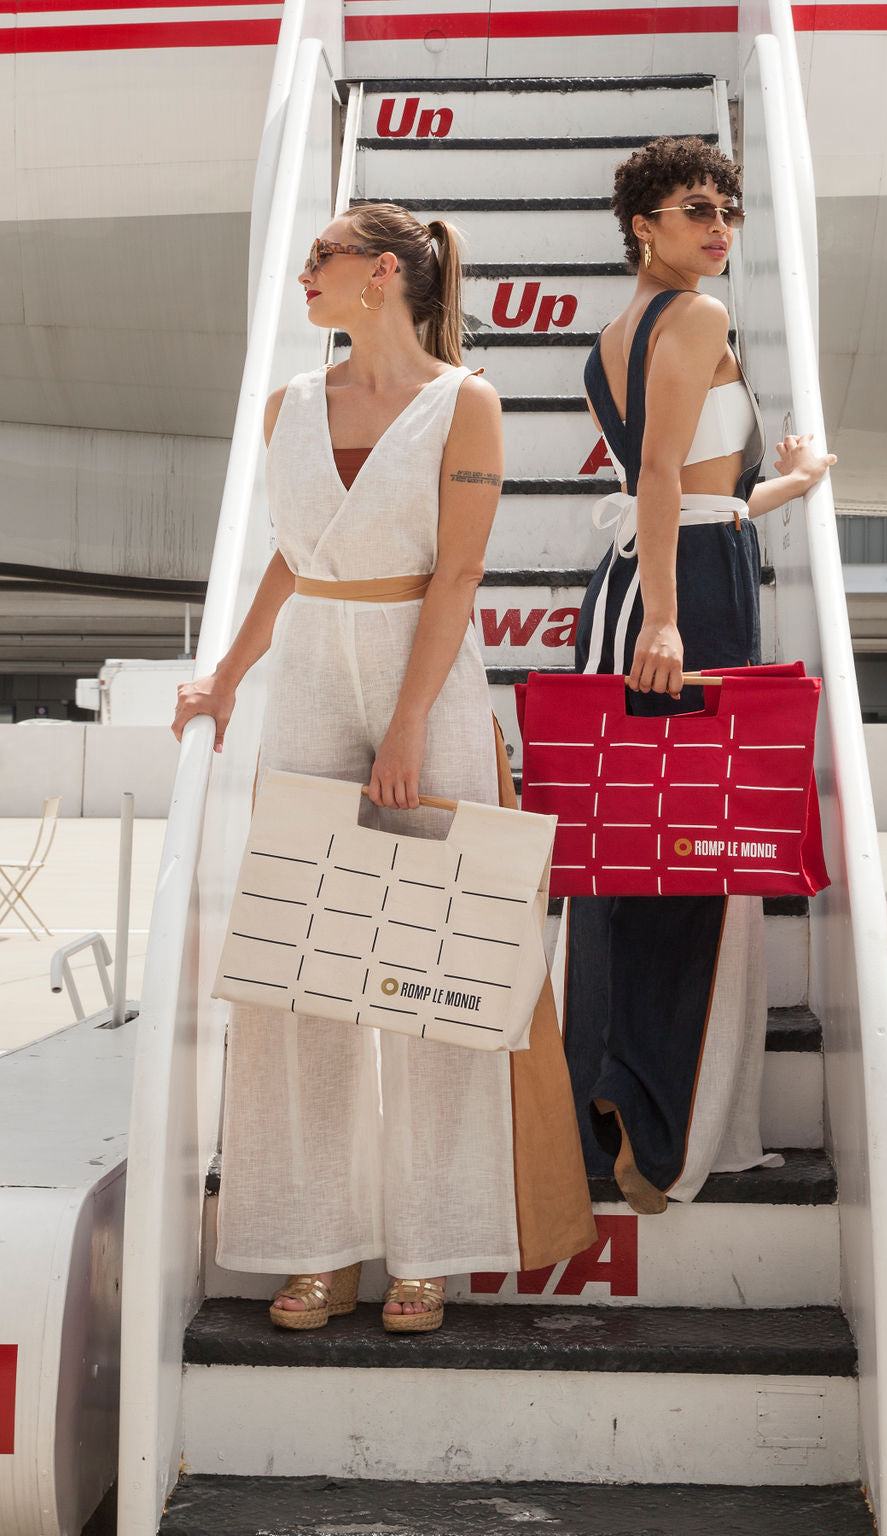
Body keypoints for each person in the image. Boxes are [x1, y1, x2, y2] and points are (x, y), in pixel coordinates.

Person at [174, 202, 595, 1333]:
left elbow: (457, 577)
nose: (305, 271)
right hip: (310, 674)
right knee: (300, 976)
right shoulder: (290, 406)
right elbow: (287, 555)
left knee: (434, 974)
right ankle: (315, 1245)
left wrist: (407, 724)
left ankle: (432, 1246)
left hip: (430, 680)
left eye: (324, 256)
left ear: (386, 275)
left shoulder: (467, 402)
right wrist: (227, 674)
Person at [564, 137, 836, 1215]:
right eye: (692, 208)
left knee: (634, 845)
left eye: (726, 207)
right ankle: (655, 1114)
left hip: (648, 576)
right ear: (643, 224)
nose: (718, 225)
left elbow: (687, 493)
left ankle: (612, 1095)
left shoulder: (607, 340)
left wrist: (795, 483)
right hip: (681, 596)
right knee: (690, 848)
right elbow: (670, 478)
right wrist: (674, 620)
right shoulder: (700, 319)